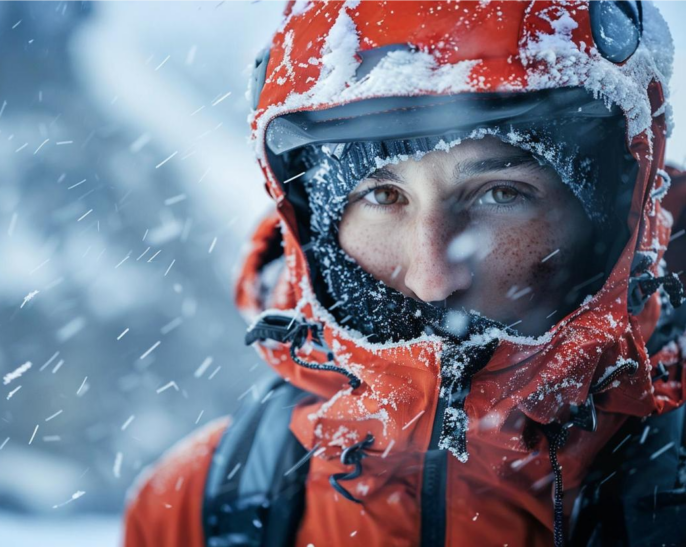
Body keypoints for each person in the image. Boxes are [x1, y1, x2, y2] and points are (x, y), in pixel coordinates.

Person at [124, 1, 686, 545]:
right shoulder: (195, 509)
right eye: (383, 194)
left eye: (501, 193)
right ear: (319, 234)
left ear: (609, 221)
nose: (432, 277)